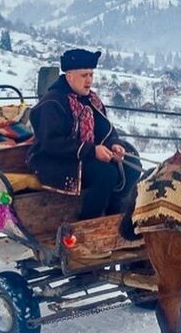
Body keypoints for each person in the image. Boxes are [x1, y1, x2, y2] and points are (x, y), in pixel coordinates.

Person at [27, 48, 142, 220]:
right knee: (106, 174)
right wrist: (92, 151)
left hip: (84, 155)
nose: (89, 81)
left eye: (91, 75)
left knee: (131, 163)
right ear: (69, 76)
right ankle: (88, 222)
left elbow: (105, 130)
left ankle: (115, 215)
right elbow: (51, 143)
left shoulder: (90, 100)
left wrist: (114, 144)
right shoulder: (52, 102)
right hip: (54, 160)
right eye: (84, 75)